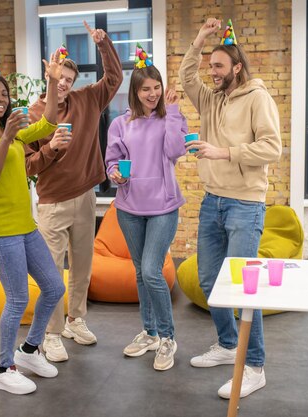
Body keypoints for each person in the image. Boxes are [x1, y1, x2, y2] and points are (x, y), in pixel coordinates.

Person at [178, 18, 282, 399]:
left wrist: (224, 152)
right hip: (212, 201)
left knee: (241, 289)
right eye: (212, 66)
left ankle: (254, 366)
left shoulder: (258, 98)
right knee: (209, 281)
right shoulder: (211, 97)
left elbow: (272, 148)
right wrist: (201, 38)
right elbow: (186, 76)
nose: (212, 72)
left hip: (245, 204)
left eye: (219, 66)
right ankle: (226, 344)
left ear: (237, 67)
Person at [0, 47, 66, 395]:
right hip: (0, 231)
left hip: (25, 226)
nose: (0, 99)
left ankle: (30, 350)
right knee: (18, 300)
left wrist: (52, 82)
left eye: (4, 93)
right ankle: (3, 367)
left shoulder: (15, 130)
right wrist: (6, 138)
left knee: (54, 287)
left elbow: (49, 121)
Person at [25, 20, 123, 362]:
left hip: (84, 197)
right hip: (52, 203)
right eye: (59, 79)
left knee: (82, 266)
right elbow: (27, 166)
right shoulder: (34, 115)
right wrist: (50, 147)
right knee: (52, 272)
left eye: (68, 79)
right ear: (50, 78)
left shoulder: (88, 100)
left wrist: (104, 43)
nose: (65, 84)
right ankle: (50, 334)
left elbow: (115, 79)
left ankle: (75, 320)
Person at [105, 47, 187, 371]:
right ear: (135, 92)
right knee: (140, 272)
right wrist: (112, 172)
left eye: (157, 88)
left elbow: (174, 150)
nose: (152, 94)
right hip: (129, 207)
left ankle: (167, 337)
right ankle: (149, 332)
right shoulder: (120, 124)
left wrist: (175, 111)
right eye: (146, 89)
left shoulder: (170, 117)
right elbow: (112, 160)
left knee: (152, 270)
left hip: (164, 206)